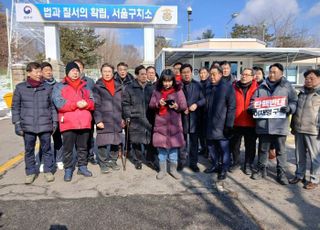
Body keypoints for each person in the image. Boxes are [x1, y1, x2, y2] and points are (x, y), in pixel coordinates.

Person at [250, 63, 298, 185]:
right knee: (262, 149)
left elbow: (294, 102)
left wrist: (289, 108)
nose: (271, 74)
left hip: (280, 126)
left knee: (281, 151)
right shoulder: (261, 86)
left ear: (281, 73)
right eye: (270, 72)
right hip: (263, 125)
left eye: (274, 72)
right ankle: (261, 170)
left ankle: (281, 173)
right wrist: (253, 108)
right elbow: (252, 101)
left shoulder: (287, 87)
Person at [12, 62, 57, 184]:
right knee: (29, 150)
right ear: (29, 73)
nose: (38, 74)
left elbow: (52, 107)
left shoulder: (47, 87)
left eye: (39, 71)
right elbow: (15, 107)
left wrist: (55, 122)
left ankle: (48, 170)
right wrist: (17, 123)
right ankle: (30, 172)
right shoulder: (20, 88)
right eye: (36, 72)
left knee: (47, 149)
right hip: (27, 126)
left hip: (45, 124)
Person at [52, 61, 95, 182]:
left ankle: (82, 166)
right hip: (68, 123)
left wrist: (87, 104)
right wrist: (75, 104)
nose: (75, 73)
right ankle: (68, 169)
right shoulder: (60, 86)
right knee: (68, 148)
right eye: (73, 71)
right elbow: (59, 103)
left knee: (83, 147)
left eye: (77, 71)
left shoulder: (85, 86)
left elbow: (93, 101)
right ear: (67, 72)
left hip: (84, 122)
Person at [149, 69, 187, 179]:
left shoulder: (178, 91)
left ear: (173, 81)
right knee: (162, 150)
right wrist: (158, 104)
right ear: (161, 81)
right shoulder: (156, 91)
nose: (167, 84)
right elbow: (151, 105)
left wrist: (176, 106)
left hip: (174, 125)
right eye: (165, 81)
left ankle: (173, 170)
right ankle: (162, 171)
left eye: (169, 81)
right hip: (160, 125)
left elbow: (184, 105)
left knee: (174, 150)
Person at [290, 69, 320, 190]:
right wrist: (293, 126)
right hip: (299, 129)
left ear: (319, 79)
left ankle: (314, 179)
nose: (308, 80)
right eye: (307, 78)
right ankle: (299, 175)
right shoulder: (301, 93)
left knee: (315, 157)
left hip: (314, 131)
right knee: (299, 155)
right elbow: (296, 111)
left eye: (311, 78)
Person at [204, 65, 236, 180]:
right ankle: (215, 165)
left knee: (224, 149)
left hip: (222, 125)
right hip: (209, 124)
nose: (211, 77)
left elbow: (232, 107)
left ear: (221, 75)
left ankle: (224, 168)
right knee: (211, 147)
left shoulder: (227, 87)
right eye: (210, 74)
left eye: (214, 74)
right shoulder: (208, 87)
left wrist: (229, 125)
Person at [122, 65, 154, 170]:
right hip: (135, 118)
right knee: (136, 141)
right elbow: (125, 103)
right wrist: (128, 115)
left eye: (146, 74)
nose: (145, 76)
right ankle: (138, 160)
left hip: (149, 118)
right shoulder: (129, 88)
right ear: (137, 75)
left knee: (150, 140)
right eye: (142, 74)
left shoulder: (151, 87)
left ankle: (150, 159)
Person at [93, 63, 124, 174]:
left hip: (116, 118)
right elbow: (96, 105)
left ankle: (113, 160)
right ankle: (103, 162)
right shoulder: (97, 86)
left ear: (113, 73)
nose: (107, 73)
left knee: (116, 141)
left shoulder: (119, 86)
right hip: (104, 118)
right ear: (101, 73)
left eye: (109, 71)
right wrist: (98, 120)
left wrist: (123, 118)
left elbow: (122, 103)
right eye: (105, 71)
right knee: (102, 141)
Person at [229, 68, 258, 175]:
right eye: (242, 74)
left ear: (252, 77)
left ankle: (248, 164)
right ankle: (235, 162)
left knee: (250, 146)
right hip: (236, 122)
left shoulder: (257, 88)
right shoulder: (234, 86)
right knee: (234, 145)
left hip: (251, 122)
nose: (244, 76)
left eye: (247, 74)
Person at [181, 64, 205, 172]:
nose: (186, 74)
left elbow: (204, 99)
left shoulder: (198, 85)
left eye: (188, 72)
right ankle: (181, 162)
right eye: (184, 72)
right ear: (181, 74)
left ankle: (193, 163)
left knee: (194, 143)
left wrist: (197, 104)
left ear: (191, 73)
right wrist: (182, 108)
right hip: (182, 118)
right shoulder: (178, 86)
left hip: (195, 118)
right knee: (182, 142)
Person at [40, 62, 64, 171]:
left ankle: (59, 160)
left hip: (57, 116)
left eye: (50, 70)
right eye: (46, 70)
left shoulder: (57, 85)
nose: (49, 72)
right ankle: (43, 161)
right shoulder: (39, 85)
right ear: (41, 72)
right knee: (44, 141)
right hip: (43, 117)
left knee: (58, 139)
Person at [74, 59, 97, 165]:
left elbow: (94, 98)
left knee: (89, 136)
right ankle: (80, 157)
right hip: (74, 114)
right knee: (77, 138)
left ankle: (91, 155)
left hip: (88, 114)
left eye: (80, 67)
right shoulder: (67, 82)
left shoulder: (90, 82)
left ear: (83, 69)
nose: (77, 70)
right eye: (75, 67)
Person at [198, 67, 210, 157]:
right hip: (199, 112)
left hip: (207, 111)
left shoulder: (210, 84)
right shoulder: (198, 84)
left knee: (206, 133)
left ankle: (207, 150)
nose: (202, 75)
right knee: (200, 132)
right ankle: (203, 148)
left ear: (208, 73)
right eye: (201, 73)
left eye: (204, 73)